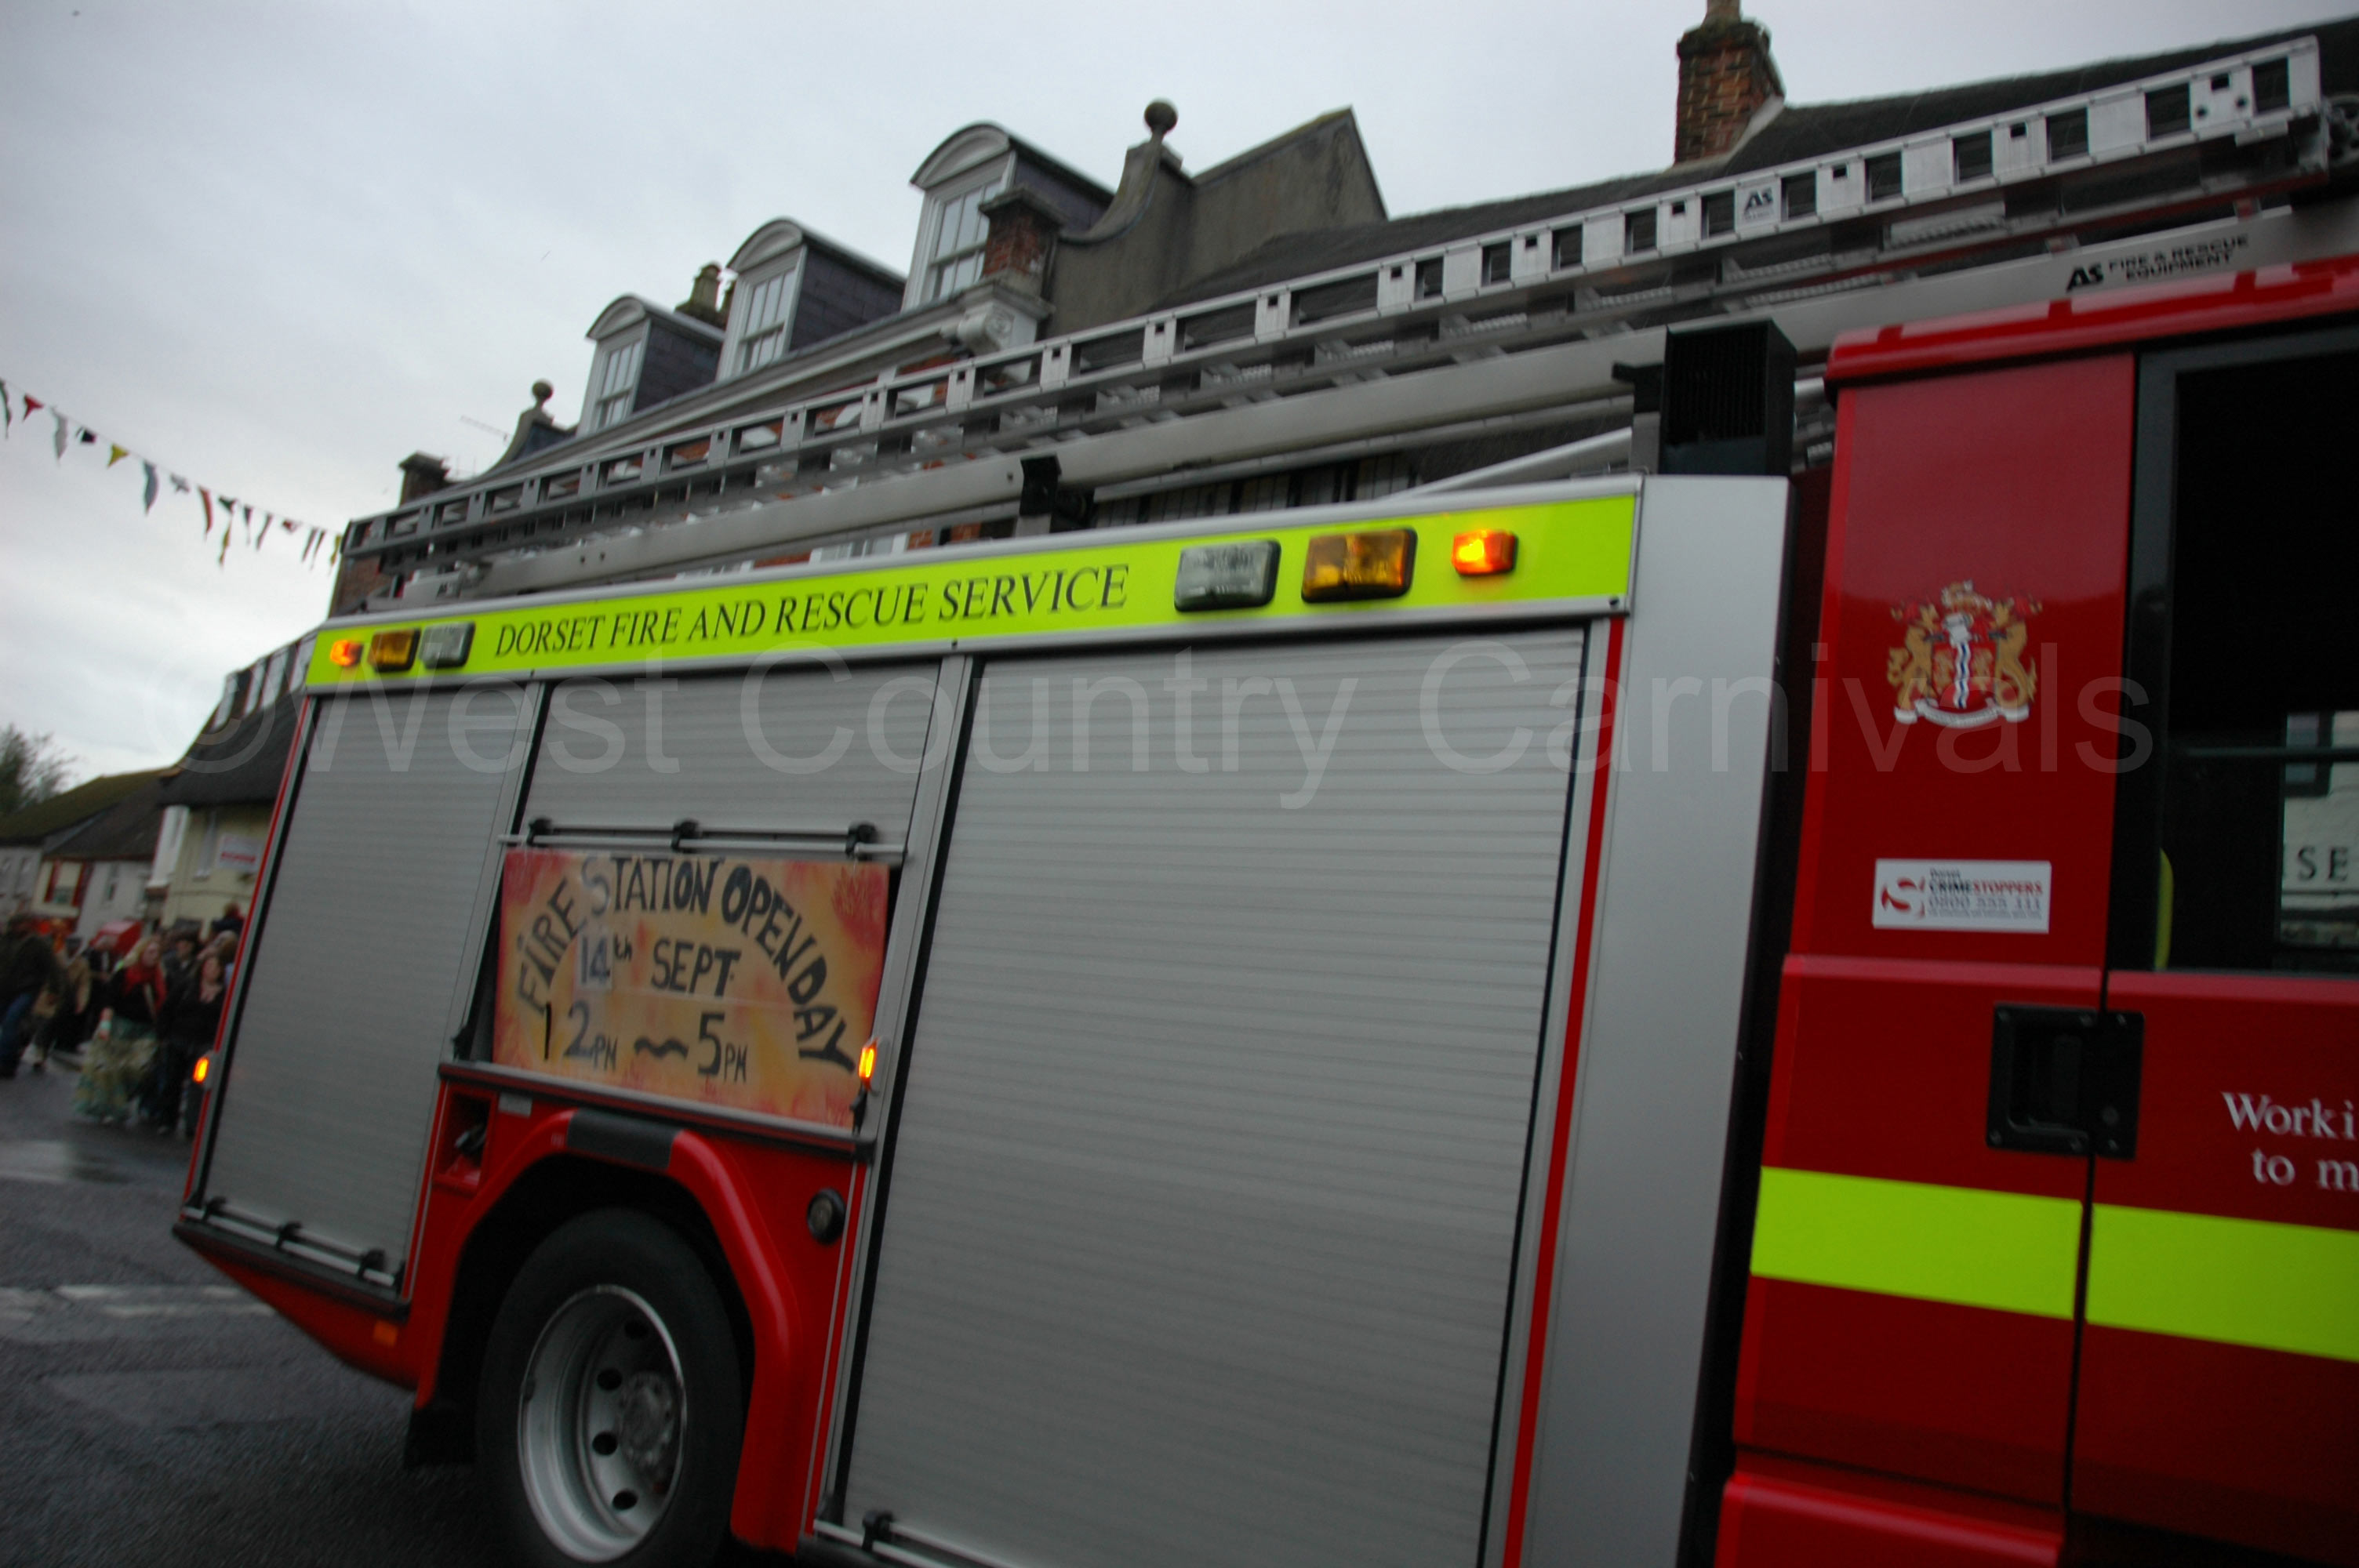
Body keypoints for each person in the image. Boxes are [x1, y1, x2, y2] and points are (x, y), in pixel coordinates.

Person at [73, 936, 166, 1124]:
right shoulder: (124, 974)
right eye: (150, 952)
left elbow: (163, 1006)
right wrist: (105, 1026)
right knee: (111, 1071)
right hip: (119, 1027)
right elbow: (109, 1001)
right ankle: (111, 1107)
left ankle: (124, 1099)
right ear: (141, 953)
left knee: (138, 1068)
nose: (154, 956)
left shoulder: (160, 979)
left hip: (145, 1031)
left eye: (157, 953)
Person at [149, 950, 226, 1135]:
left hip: (204, 1044)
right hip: (179, 1038)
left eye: (216, 967)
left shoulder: (224, 994)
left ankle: (192, 1124)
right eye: (209, 966)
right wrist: (163, 1034)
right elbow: (168, 1008)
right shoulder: (187, 986)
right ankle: (167, 1120)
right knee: (172, 1079)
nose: (211, 970)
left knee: (197, 1083)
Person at [0, 916, 65, 1079]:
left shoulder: (39, 944)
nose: (18, 927)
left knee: (11, 1020)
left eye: (21, 924)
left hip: (27, 989)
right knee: (7, 1023)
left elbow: (53, 968)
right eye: (16, 924)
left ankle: (7, 1063)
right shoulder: (6, 940)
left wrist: (54, 990)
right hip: (5, 988)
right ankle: (13, 1052)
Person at [28, 956, 100, 1070]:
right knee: (35, 1023)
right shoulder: (56, 954)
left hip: (64, 1000)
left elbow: (84, 984)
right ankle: (26, 1046)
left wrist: (82, 1001)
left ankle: (41, 1054)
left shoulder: (81, 963)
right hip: (46, 995)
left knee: (50, 1026)